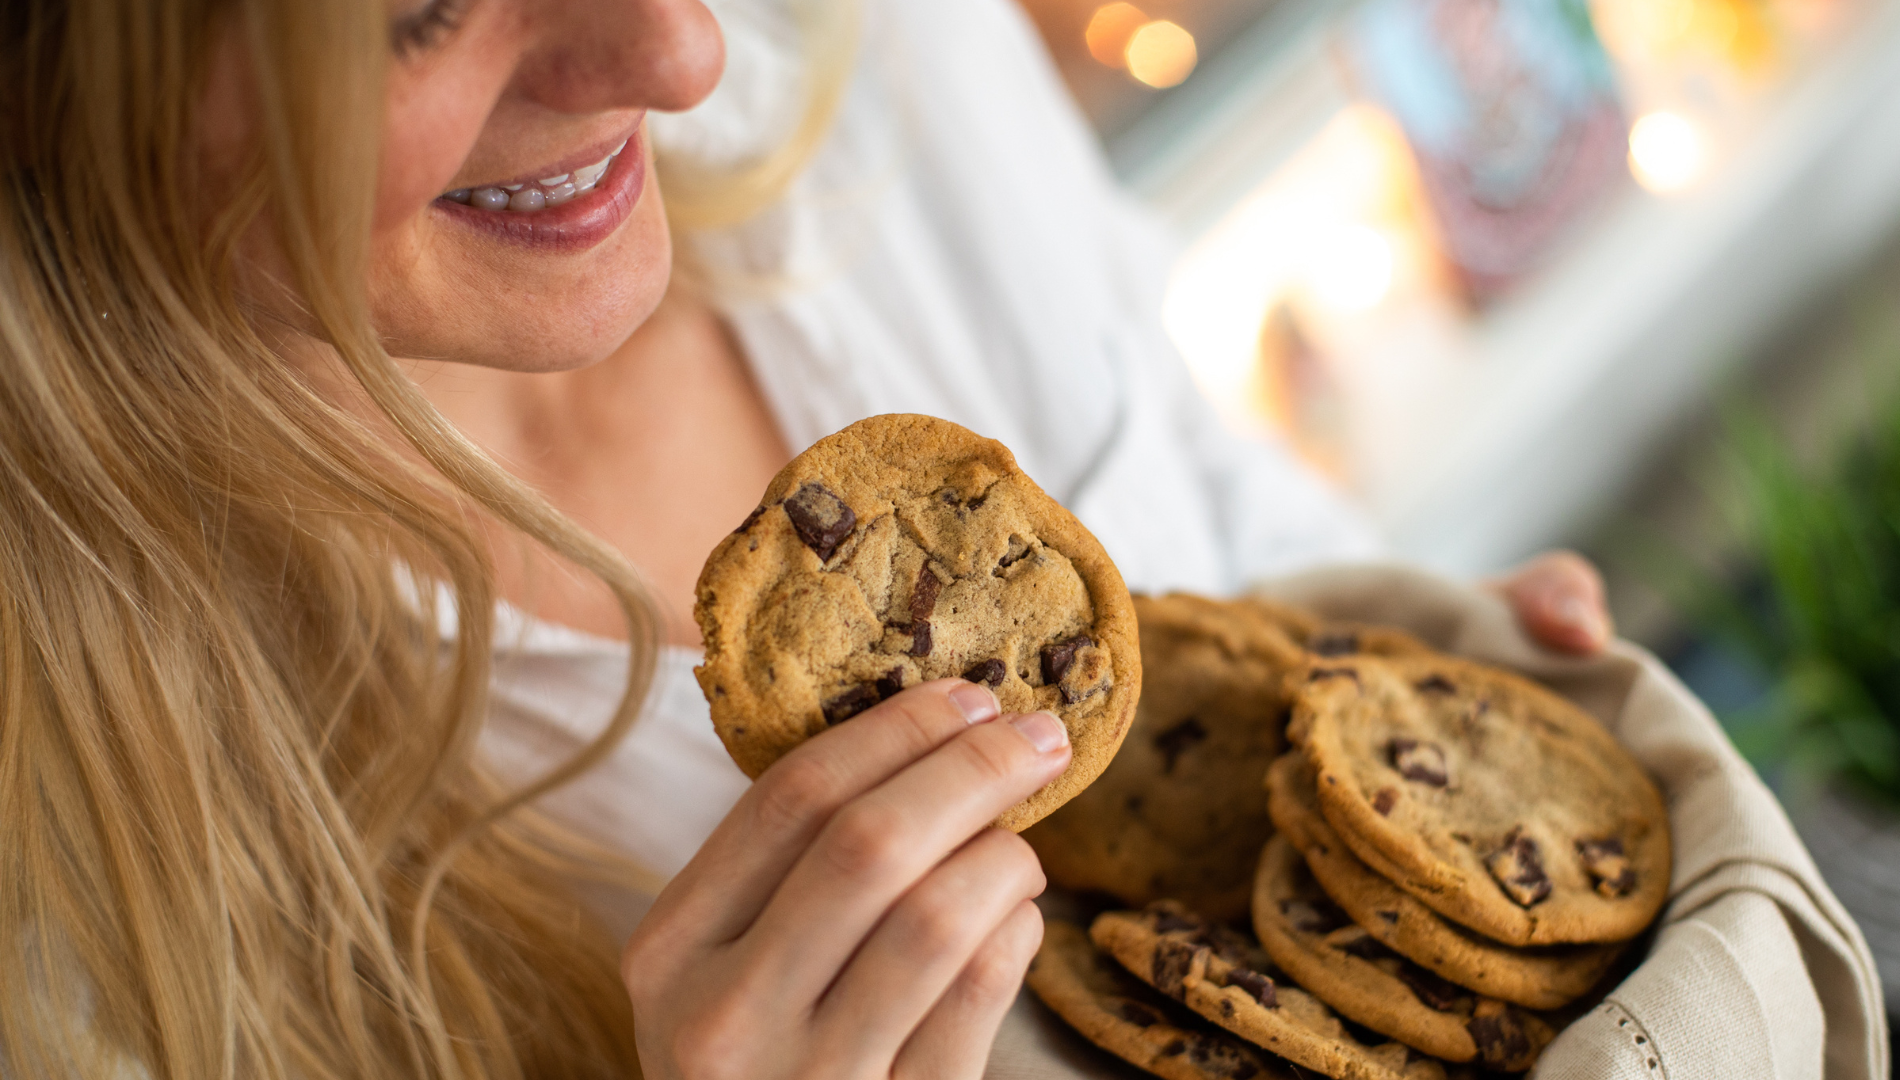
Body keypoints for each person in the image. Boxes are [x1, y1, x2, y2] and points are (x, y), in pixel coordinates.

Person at [0, 0, 1614, 1076]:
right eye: (421, 2)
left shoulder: (879, 42)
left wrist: (1414, 673)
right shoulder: (67, 901)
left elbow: (1203, 471)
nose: (682, 52)